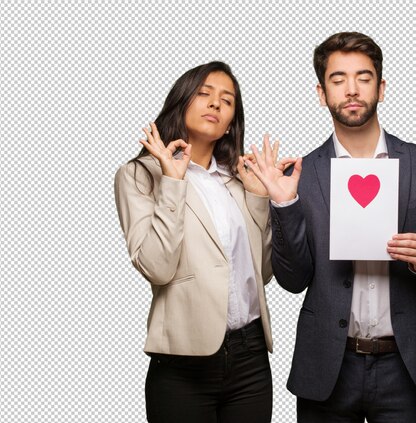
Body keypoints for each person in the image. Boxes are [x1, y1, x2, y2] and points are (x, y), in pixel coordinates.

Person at [245, 33, 416, 422]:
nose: (351, 89)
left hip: (406, 366)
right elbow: (292, 279)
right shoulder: (301, 173)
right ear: (321, 93)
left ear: (381, 87)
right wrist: (283, 202)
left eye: (364, 77)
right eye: (338, 79)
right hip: (328, 368)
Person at [114, 62, 277, 423]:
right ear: (182, 102)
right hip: (183, 362)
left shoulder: (238, 180)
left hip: (251, 357)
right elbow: (157, 267)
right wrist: (173, 182)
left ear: (232, 120)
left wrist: (260, 199)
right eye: (204, 94)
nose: (215, 104)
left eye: (227, 100)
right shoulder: (139, 175)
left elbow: (262, 274)